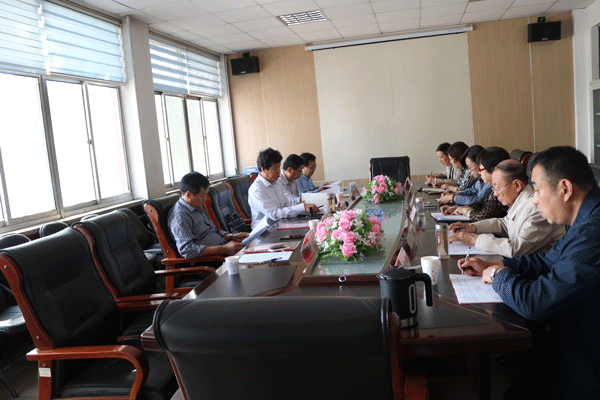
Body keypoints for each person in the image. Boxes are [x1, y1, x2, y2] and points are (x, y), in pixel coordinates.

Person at [458, 146, 600, 399]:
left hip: (588, 354)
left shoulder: (593, 231)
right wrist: (498, 264)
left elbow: (536, 302)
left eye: (537, 190)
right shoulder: (585, 217)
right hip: (572, 332)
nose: (534, 199)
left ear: (565, 189)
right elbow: (547, 261)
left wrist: (499, 276)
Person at [449, 159, 564, 257]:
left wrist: (473, 239)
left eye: (498, 188)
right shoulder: (519, 201)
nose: (495, 194)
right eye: (493, 188)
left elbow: (516, 249)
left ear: (517, 185)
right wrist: (473, 228)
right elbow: (504, 223)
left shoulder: (536, 208)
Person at [168, 172, 249, 258]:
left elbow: (212, 231)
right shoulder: (180, 217)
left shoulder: (196, 206)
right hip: (210, 260)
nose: (205, 198)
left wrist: (231, 236)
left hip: (222, 250)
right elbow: (188, 250)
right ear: (189, 195)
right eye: (203, 196)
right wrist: (224, 248)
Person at [248, 148, 318, 228]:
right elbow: (274, 214)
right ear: (263, 169)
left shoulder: (276, 183)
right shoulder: (257, 189)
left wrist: (305, 209)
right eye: (276, 168)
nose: (279, 171)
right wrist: (302, 207)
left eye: (279, 167)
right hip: (266, 231)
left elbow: (287, 204)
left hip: (281, 224)